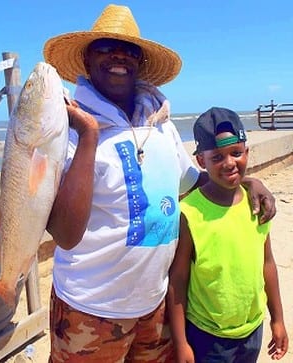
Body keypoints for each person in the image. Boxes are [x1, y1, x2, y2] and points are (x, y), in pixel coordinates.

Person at [43, 5, 276, 362]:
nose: (119, 56)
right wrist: (88, 134)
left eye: (129, 51)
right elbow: (64, 233)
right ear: (88, 59)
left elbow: (194, 181)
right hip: (89, 309)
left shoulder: (162, 126)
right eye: (105, 47)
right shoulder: (67, 129)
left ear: (139, 63)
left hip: (155, 306)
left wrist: (247, 181)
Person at [167, 107, 288, 363]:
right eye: (217, 157)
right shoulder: (189, 213)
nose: (230, 163)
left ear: (247, 152)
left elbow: (267, 264)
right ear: (201, 161)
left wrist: (277, 319)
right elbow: (177, 282)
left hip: (252, 329)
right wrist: (181, 343)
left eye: (236, 153)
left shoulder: (256, 203)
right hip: (207, 335)